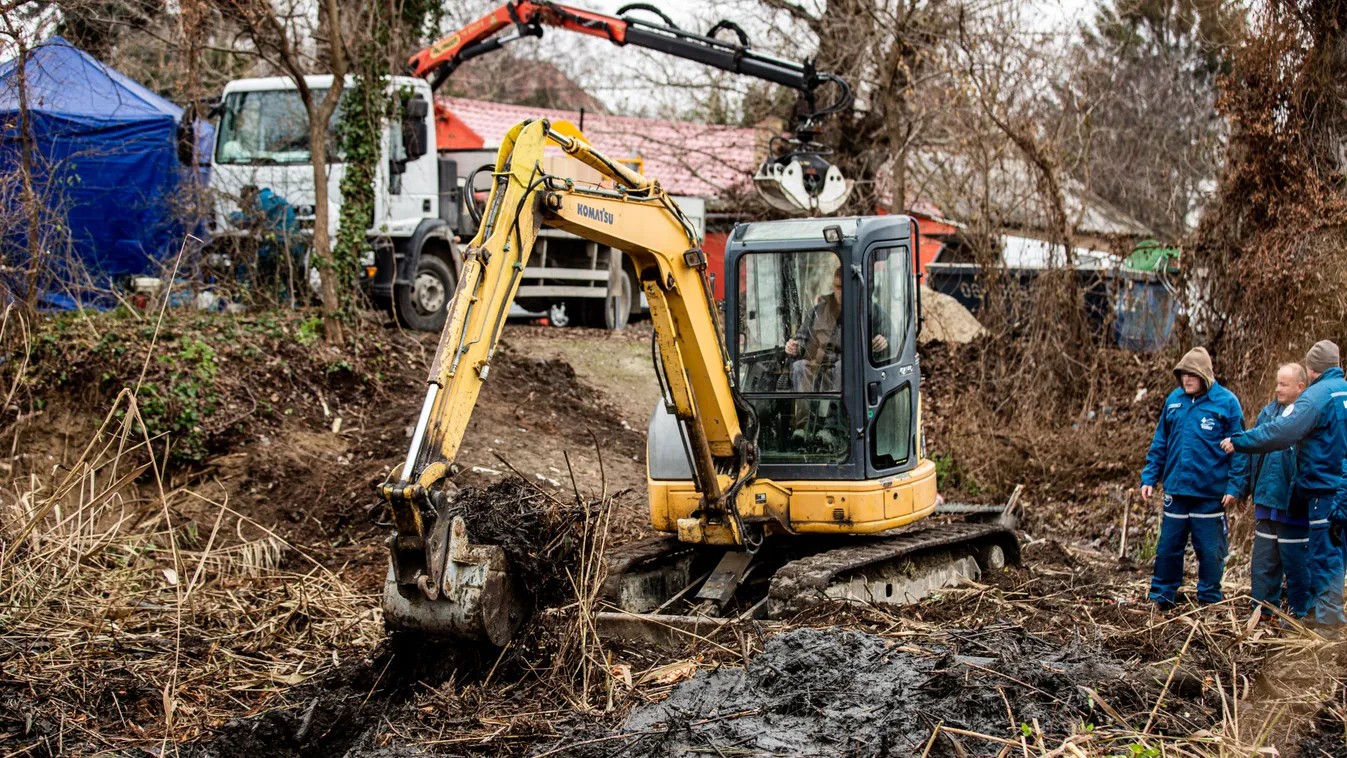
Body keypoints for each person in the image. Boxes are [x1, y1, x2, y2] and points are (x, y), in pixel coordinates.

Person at [1222, 341, 1347, 629]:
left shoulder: (1316, 397)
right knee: (1335, 555)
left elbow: (1282, 432)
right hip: (1341, 488)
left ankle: (1327, 626)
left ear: (1311, 370)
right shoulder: (1343, 391)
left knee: (1324, 557)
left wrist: (1241, 441)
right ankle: (1318, 616)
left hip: (1324, 490)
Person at [1140, 346, 1245, 610]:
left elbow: (1241, 449)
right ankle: (1161, 596)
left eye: (1192, 375)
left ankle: (1209, 600)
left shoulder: (1227, 403)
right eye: (1183, 374)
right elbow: (1160, 442)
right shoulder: (1174, 401)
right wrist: (1150, 477)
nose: (1186, 380)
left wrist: (1235, 486)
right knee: (1168, 548)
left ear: (1205, 375)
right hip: (1176, 491)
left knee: (1210, 551)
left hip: (1209, 493)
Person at [1228, 363, 1310, 620]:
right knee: (1263, 561)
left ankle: (1300, 614)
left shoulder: (1306, 414)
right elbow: (1252, 451)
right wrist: (1243, 489)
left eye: (1284, 384)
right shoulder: (1268, 412)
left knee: (1295, 562)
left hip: (1292, 504)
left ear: (1300, 387)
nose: (1278, 389)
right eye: (1277, 383)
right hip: (1265, 499)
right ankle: (1262, 610)